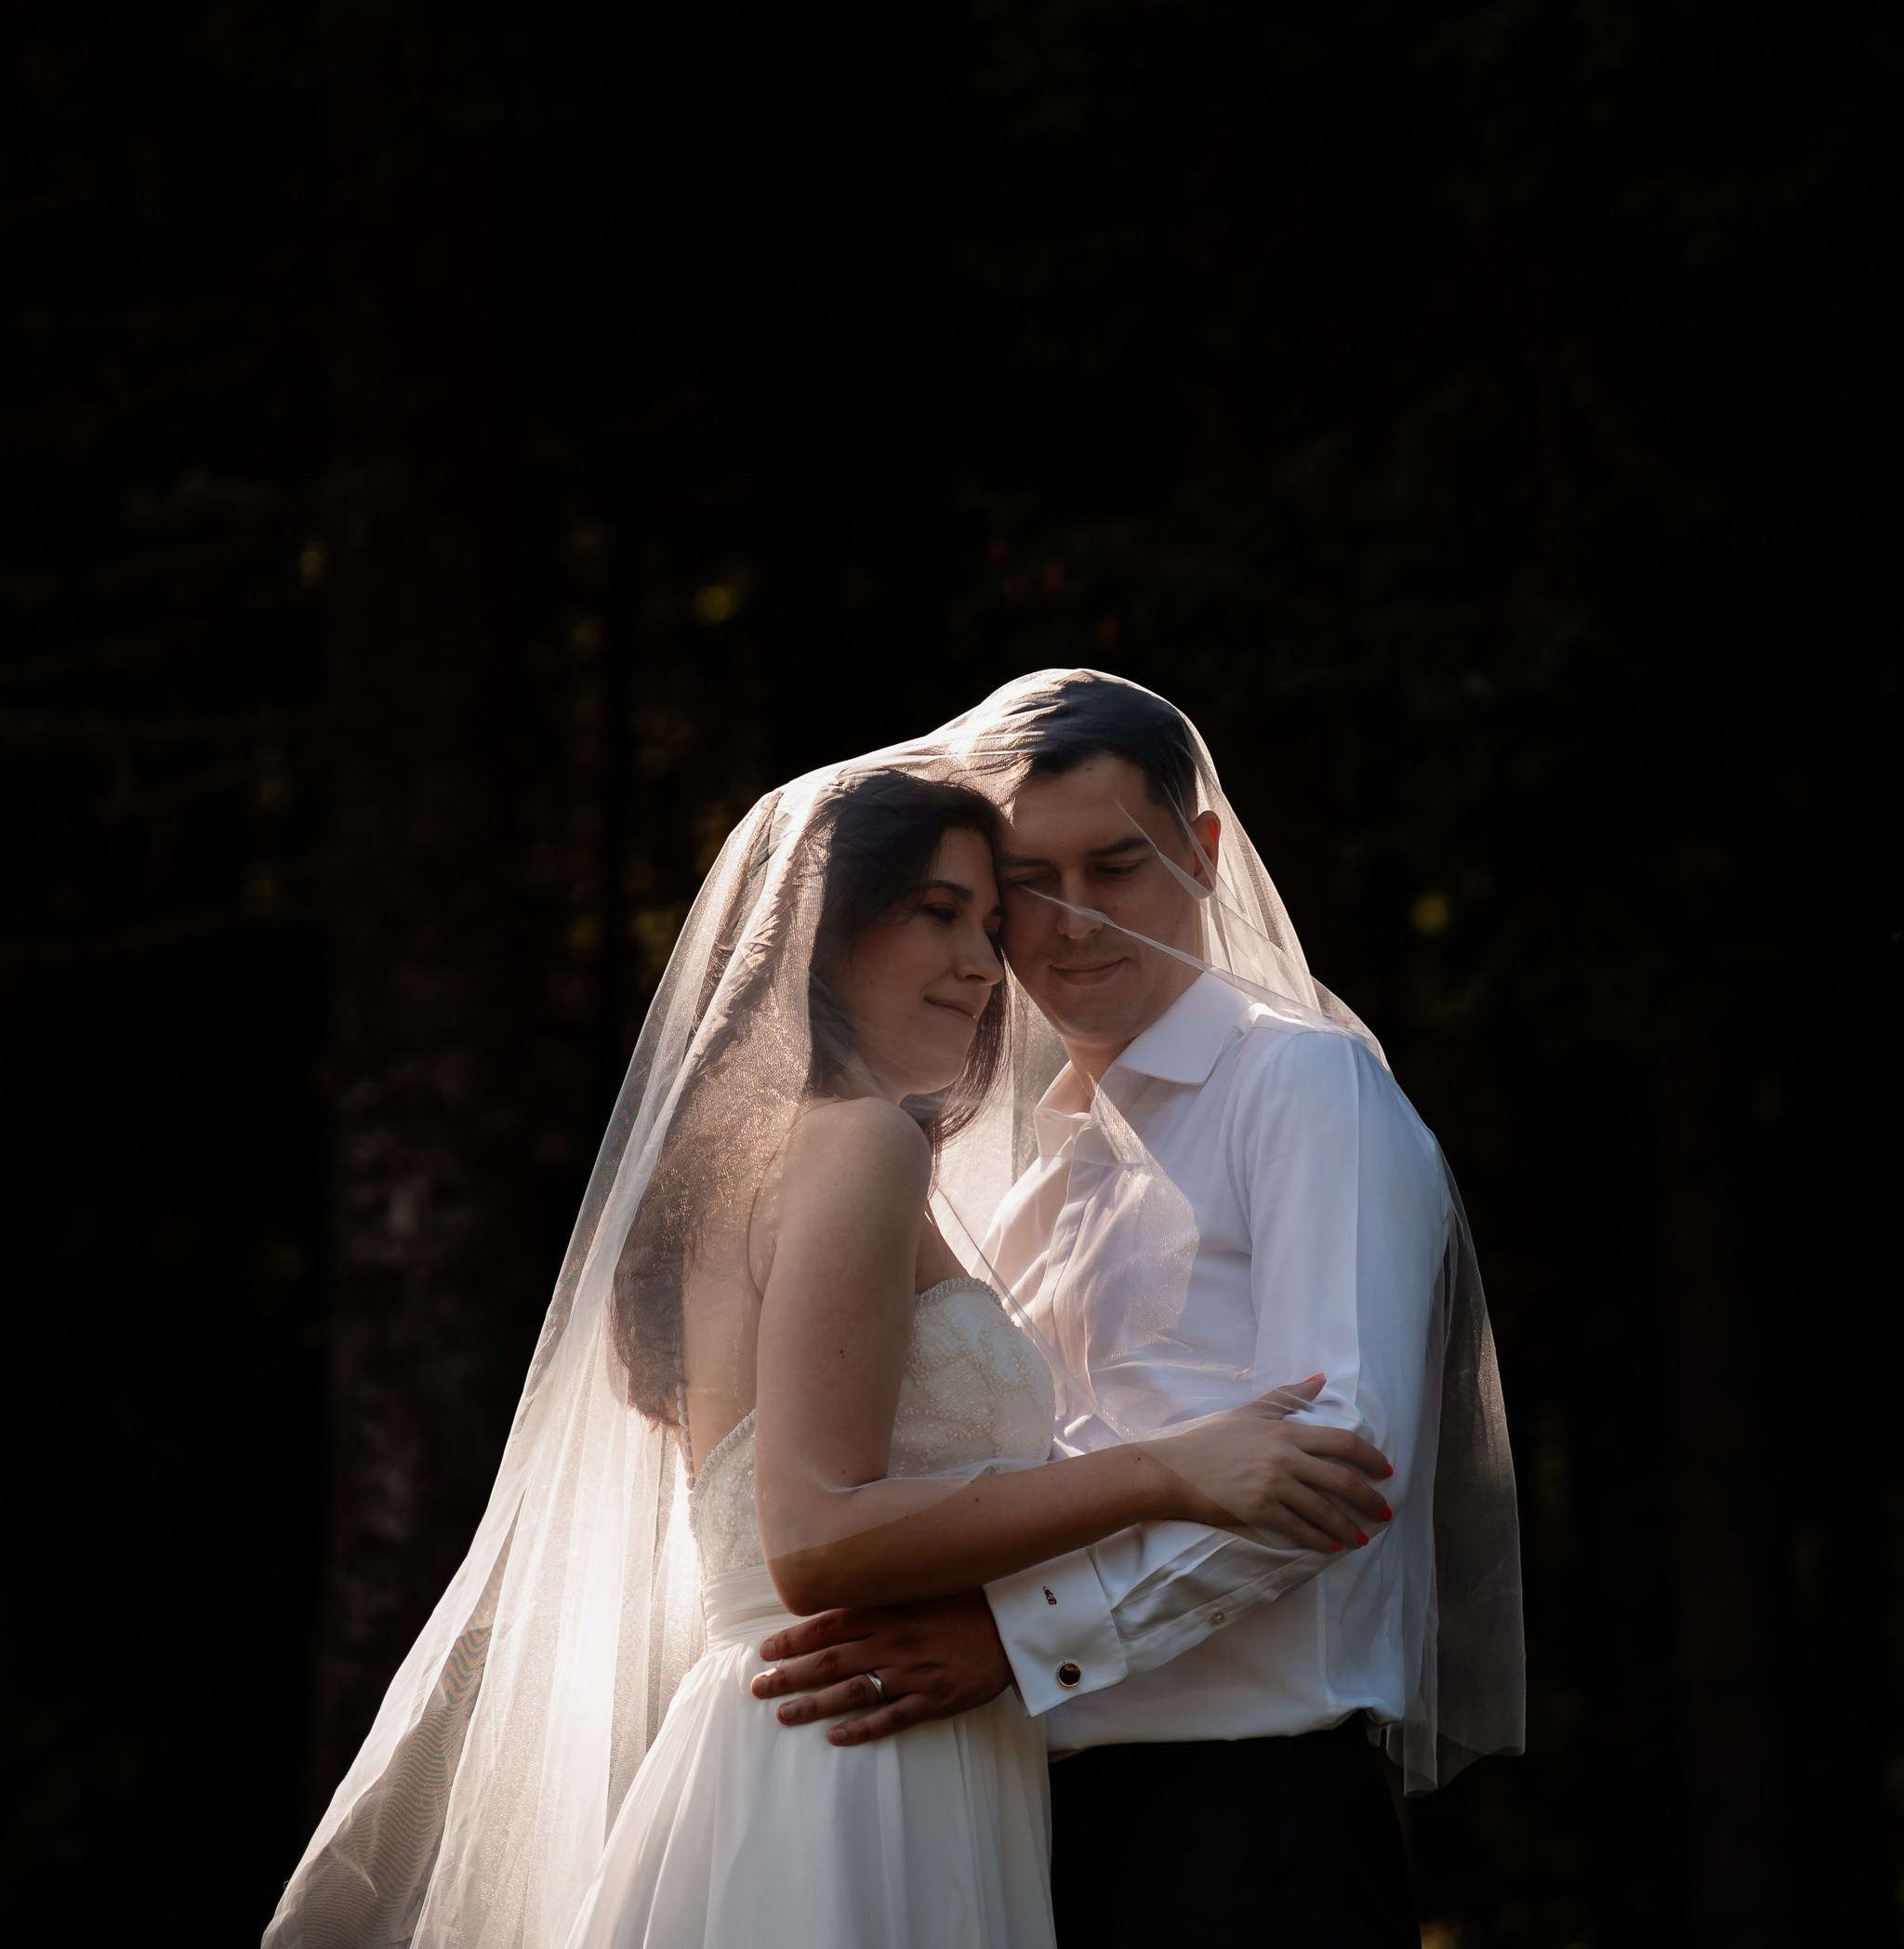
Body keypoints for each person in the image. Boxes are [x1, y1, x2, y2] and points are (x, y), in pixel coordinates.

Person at [264, 753, 1392, 1949]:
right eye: (937, 912)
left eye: (987, 924)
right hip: (860, 1760)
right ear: (823, 934)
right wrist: (1166, 1469)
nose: (982, 962)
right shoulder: (863, 1144)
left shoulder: (743, 1162)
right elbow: (809, 1538)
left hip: (801, 1735)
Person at [752, 671, 1525, 1949]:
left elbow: (1342, 1462)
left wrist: (1017, 1640)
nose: (1070, 922)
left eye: (1114, 867)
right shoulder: (1018, 1185)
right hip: (1025, 1820)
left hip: (1243, 1819)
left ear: (1202, 851)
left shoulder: (1302, 1088)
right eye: (1027, 885)